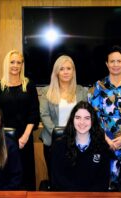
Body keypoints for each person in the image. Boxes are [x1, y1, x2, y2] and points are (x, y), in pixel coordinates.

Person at [88, 45, 121, 190]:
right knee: (104, 181)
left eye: (119, 61)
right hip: (104, 139)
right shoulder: (98, 87)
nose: (115, 64)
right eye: (112, 61)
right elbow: (93, 114)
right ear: (107, 64)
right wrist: (105, 138)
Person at [0, 49, 40, 190]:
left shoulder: (29, 85)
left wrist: (25, 137)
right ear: (7, 63)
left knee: (25, 175)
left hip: (25, 138)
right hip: (2, 139)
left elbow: (34, 113)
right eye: (12, 62)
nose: (15, 65)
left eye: (19, 62)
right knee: (5, 174)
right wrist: (2, 138)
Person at [39, 55, 88, 183]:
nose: (66, 72)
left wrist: (72, 135)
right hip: (53, 141)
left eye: (69, 68)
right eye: (62, 69)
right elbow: (44, 115)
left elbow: (86, 115)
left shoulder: (81, 91)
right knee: (55, 178)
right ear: (56, 72)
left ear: (73, 71)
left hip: (78, 141)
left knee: (75, 178)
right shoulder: (46, 91)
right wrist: (59, 135)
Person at [51, 101, 111, 191]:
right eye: (78, 117)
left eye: (87, 118)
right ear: (72, 120)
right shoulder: (59, 145)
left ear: (92, 121)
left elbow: (103, 181)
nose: (82, 122)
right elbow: (57, 179)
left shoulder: (102, 146)